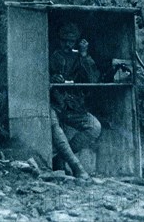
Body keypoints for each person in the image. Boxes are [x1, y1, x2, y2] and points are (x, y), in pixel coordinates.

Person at [49, 22, 102, 179]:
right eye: (64, 40)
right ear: (59, 40)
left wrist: (85, 56)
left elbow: (94, 79)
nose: (67, 44)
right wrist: (51, 78)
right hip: (52, 103)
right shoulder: (49, 55)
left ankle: (61, 158)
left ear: (76, 42)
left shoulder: (80, 58)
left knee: (94, 127)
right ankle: (76, 167)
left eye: (71, 41)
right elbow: (35, 75)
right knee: (54, 126)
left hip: (73, 106)